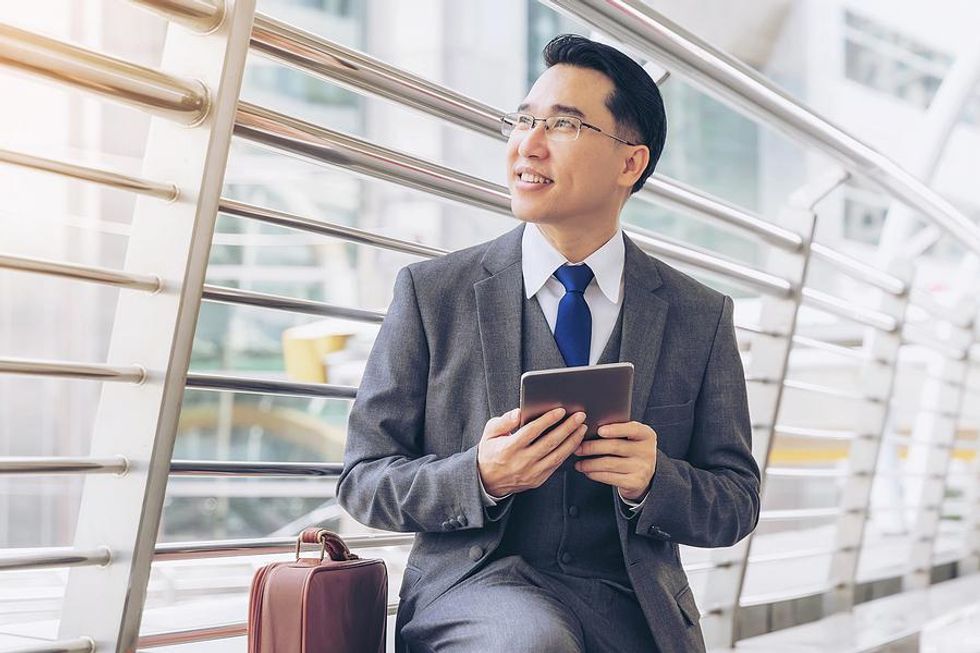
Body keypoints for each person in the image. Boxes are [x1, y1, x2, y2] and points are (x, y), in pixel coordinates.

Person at [337, 33, 760, 653]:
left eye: (562, 125)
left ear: (629, 163)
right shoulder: (433, 294)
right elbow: (363, 480)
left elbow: (736, 501)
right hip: (477, 591)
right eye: (523, 120)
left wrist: (654, 480)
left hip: (635, 607)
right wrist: (479, 475)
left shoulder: (699, 316)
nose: (526, 146)